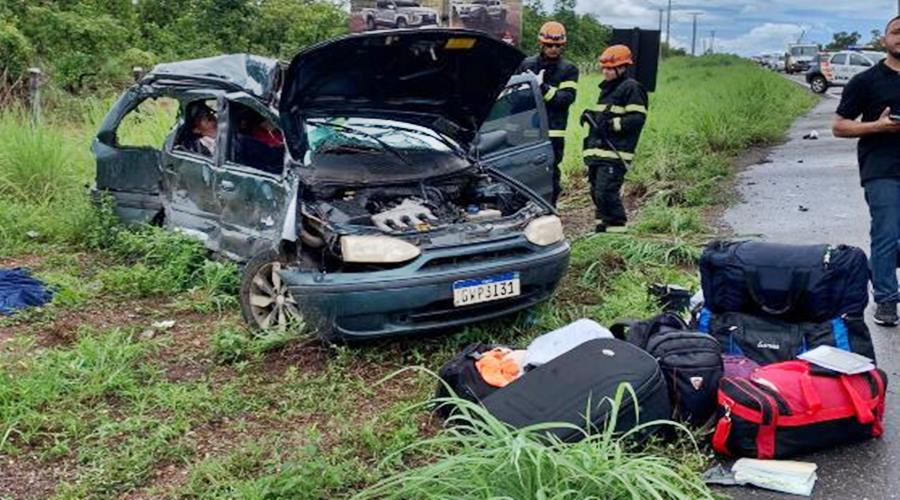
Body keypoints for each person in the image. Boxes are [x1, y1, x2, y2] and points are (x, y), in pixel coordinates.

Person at [832, 15, 900, 326]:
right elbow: (839, 126)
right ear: (884, 40)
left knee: (893, 241)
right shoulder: (866, 81)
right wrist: (879, 126)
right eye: (896, 32)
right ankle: (886, 300)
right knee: (886, 233)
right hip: (882, 167)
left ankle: (876, 269)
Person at [580, 45, 648, 233]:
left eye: (610, 68)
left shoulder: (632, 88)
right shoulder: (608, 89)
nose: (606, 72)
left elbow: (636, 119)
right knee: (596, 193)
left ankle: (617, 232)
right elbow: (606, 116)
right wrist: (591, 116)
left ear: (622, 68)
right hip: (599, 152)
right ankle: (602, 230)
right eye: (604, 68)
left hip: (615, 153)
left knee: (606, 192)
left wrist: (611, 124)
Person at [518, 21, 579, 206]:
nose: (553, 49)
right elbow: (514, 98)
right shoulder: (526, 64)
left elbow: (565, 100)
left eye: (558, 46)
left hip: (553, 131)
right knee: (524, 171)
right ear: (541, 44)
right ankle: (524, 209)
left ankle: (549, 209)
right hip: (528, 128)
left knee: (550, 172)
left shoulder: (569, 69)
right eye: (550, 45)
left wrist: (542, 88)